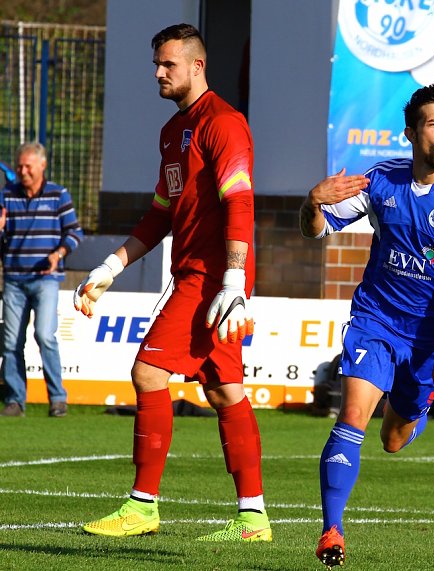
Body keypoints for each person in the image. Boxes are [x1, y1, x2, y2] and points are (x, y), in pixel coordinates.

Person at [74, 23, 270, 542]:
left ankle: (142, 505)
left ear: (197, 66)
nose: (159, 73)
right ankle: (253, 518)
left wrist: (232, 281)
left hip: (211, 280)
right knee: (226, 391)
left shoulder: (224, 123)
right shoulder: (172, 131)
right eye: (156, 65)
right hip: (203, 275)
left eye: (168, 64)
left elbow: (240, 202)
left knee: (147, 373)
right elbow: (161, 214)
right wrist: (110, 268)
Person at [300, 84, 434, 568]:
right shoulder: (381, 180)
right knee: (351, 419)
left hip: (429, 343)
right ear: (410, 133)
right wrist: (312, 202)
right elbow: (317, 228)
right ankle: (331, 530)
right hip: (376, 321)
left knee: (392, 440)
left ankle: (416, 405)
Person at [0, 142, 83, 418]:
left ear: (42, 165)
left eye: (28, 166)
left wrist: (59, 253)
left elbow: (74, 233)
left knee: (45, 336)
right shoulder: (6, 196)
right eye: (20, 166)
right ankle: (14, 401)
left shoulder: (58, 195)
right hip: (14, 279)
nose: (23, 171)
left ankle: (58, 399)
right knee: (11, 343)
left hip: (46, 279)